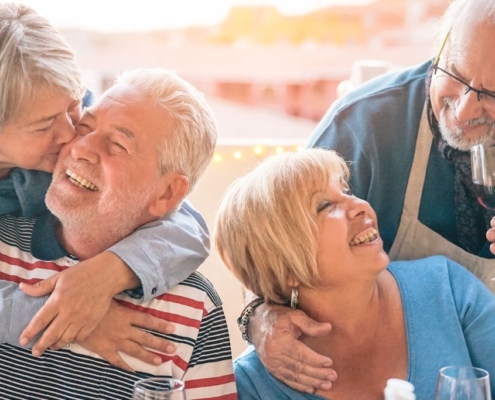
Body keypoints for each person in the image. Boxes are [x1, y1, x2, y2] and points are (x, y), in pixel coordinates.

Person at [244, 0, 495, 393]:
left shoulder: (455, 293)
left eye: (492, 95)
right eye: (455, 74)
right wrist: (258, 318)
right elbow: (278, 243)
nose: (464, 110)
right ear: (440, 46)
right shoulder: (365, 126)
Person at [0, 67, 236, 400]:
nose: (81, 148)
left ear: (168, 194)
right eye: (85, 127)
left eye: (117, 145)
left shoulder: (196, 308)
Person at [0, 2, 210, 362]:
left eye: (74, 110)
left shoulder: (67, 120)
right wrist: (71, 315)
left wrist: (108, 273)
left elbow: (184, 226)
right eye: (43, 126)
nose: (73, 137)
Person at [215, 148, 495, 400]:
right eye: (325, 206)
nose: (360, 205)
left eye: (346, 191)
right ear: (285, 266)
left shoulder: (446, 287)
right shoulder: (251, 385)